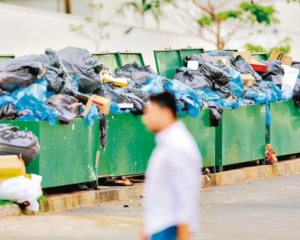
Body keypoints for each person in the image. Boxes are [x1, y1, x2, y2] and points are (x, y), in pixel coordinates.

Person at [142, 92, 202, 240]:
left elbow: (185, 195)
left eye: (150, 113)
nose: (145, 119)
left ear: (166, 113)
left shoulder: (178, 146)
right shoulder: (167, 143)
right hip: (159, 227)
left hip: (169, 228)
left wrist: (183, 235)